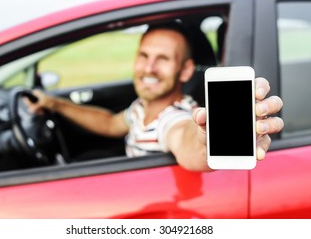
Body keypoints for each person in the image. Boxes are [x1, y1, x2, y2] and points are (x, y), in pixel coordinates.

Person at [27, 22, 284, 172]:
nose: (148, 68)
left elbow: (187, 140)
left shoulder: (173, 117)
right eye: (144, 56)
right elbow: (109, 123)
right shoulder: (141, 107)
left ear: (184, 70)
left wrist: (210, 141)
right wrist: (55, 104)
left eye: (162, 59)